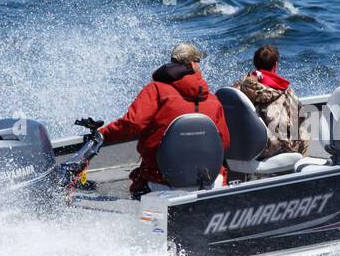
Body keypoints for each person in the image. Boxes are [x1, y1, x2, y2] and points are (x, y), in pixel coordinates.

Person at [82, 42, 231, 197]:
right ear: (193, 65)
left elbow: (132, 124)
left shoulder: (156, 90)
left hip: (162, 181)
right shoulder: (213, 100)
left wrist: (101, 135)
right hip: (212, 180)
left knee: (139, 181)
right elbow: (224, 143)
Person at [233, 44, 311, 157]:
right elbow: (298, 121)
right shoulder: (285, 92)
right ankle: (301, 167)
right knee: (304, 132)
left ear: (255, 64)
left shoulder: (239, 88)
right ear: (275, 65)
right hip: (272, 149)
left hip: (245, 146)